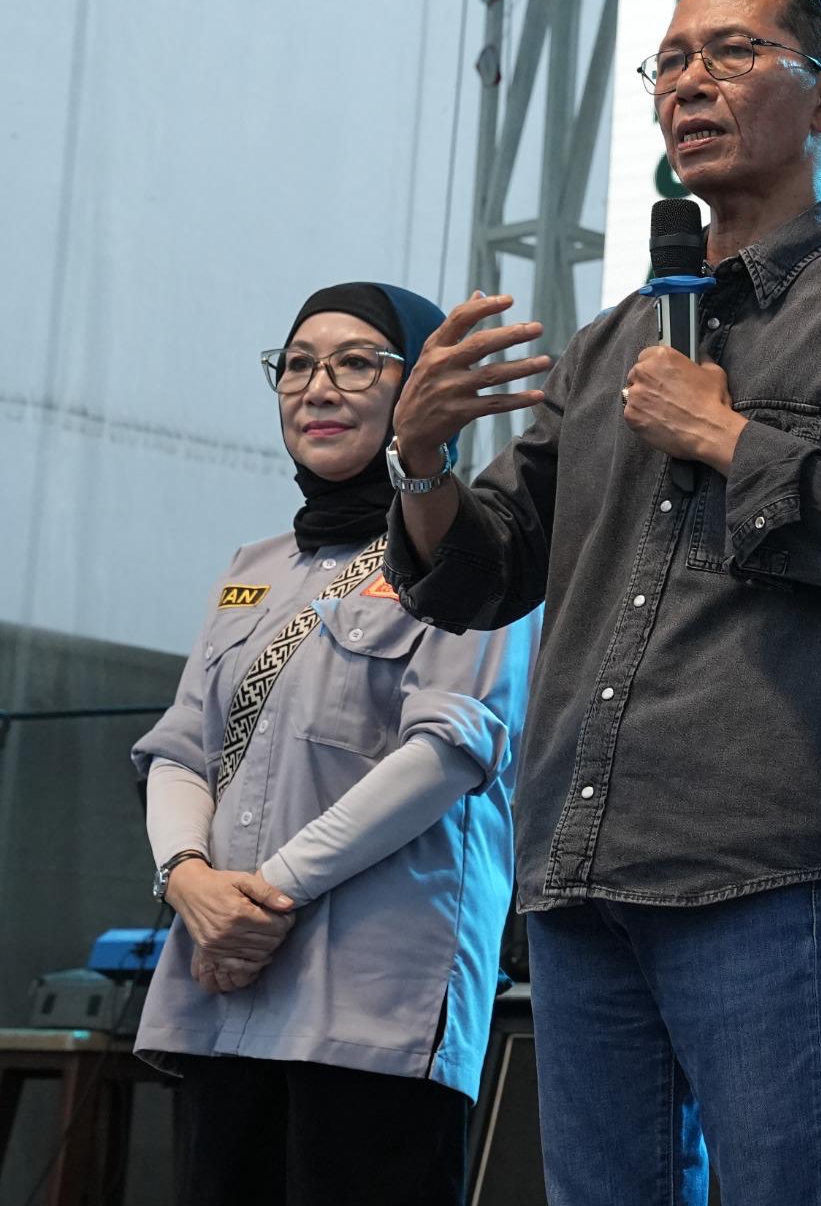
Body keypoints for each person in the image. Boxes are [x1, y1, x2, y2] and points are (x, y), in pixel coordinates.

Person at [383, 0, 821, 1206]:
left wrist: (728, 437)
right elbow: (483, 573)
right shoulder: (614, 339)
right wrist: (422, 457)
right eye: (668, 63)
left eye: (730, 53)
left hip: (761, 841)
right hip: (582, 850)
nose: (687, 85)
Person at [130, 283, 532, 1206]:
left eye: (356, 363)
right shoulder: (252, 567)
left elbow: (448, 751)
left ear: (421, 388)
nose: (318, 387)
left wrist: (263, 898)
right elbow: (181, 747)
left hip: (373, 1001)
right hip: (223, 985)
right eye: (298, 364)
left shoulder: (482, 552)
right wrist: (188, 881)